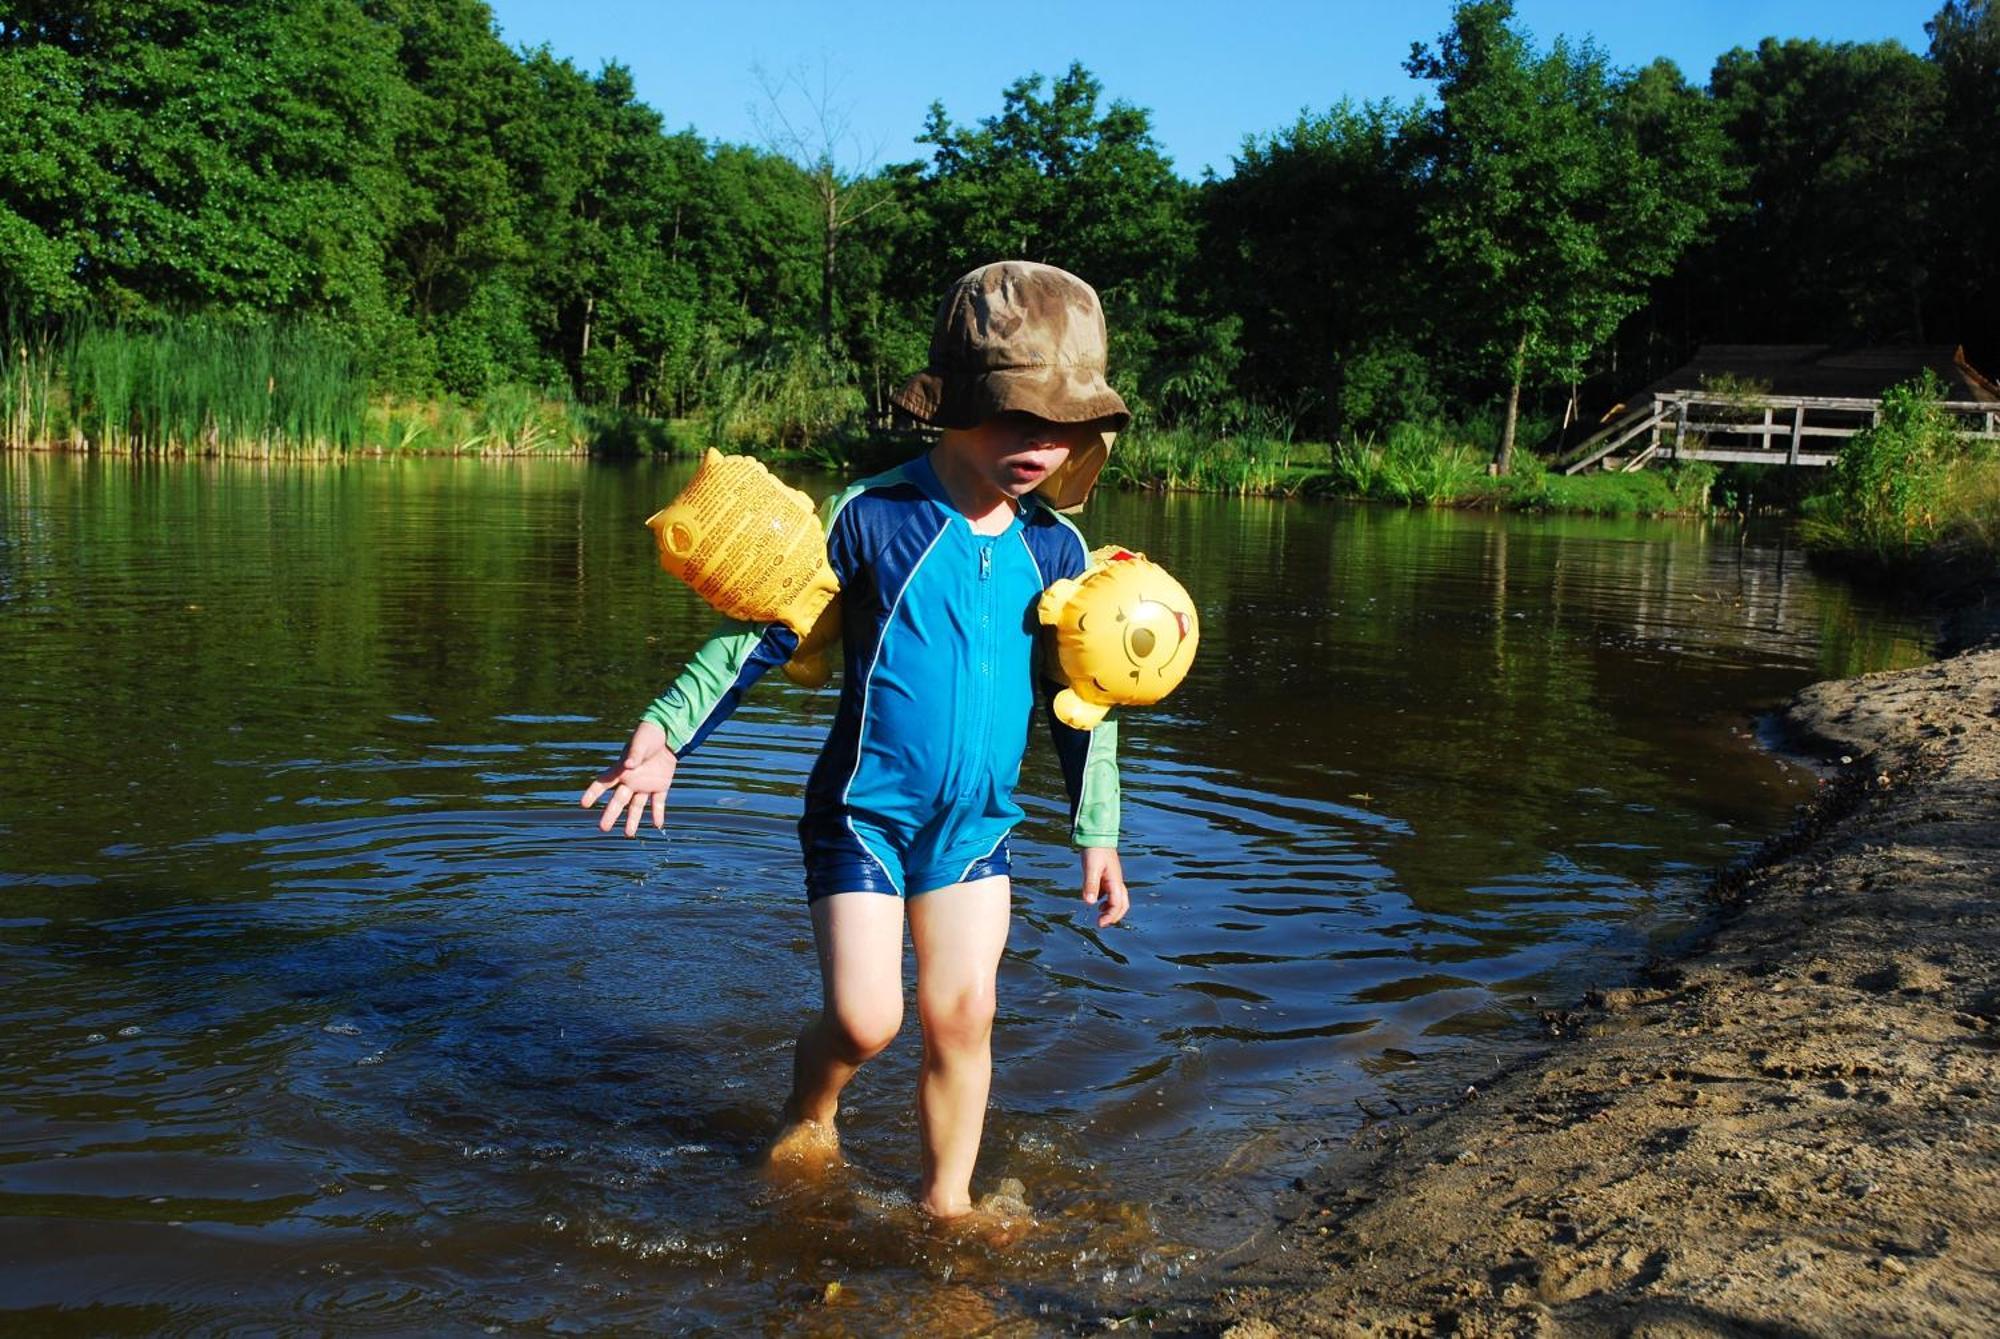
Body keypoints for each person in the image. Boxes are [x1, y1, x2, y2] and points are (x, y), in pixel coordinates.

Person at [581, 260, 1130, 1221]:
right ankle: (811, 1105)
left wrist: (1098, 830)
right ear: (956, 405)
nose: (1042, 442)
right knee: (867, 1019)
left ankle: (947, 1208)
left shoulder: (1059, 551)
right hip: (864, 813)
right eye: (1017, 415)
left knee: (965, 1015)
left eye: (1063, 424)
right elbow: (764, 633)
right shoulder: (876, 517)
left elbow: (1081, 699)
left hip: (978, 826)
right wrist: (668, 733)